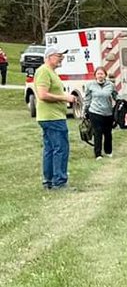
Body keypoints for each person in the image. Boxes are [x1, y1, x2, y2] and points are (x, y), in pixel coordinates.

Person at [33, 46, 72, 190]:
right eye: (59, 55)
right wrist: (65, 98)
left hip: (50, 116)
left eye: (62, 56)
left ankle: (48, 181)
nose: (62, 58)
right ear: (49, 57)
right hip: (52, 117)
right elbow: (43, 95)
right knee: (60, 148)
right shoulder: (44, 71)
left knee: (50, 149)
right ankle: (59, 182)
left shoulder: (51, 72)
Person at [83, 66, 118, 159]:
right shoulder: (90, 85)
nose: (100, 75)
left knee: (108, 133)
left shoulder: (110, 85)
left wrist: (120, 105)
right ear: (95, 75)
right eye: (98, 74)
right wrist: (85, 110)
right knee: (97, 133)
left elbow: (116, 96)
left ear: (105, 75)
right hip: (95, 112)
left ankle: (108, 151)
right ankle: (98, 154)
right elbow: (87, 99)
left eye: (102, 74)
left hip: (108, 112)